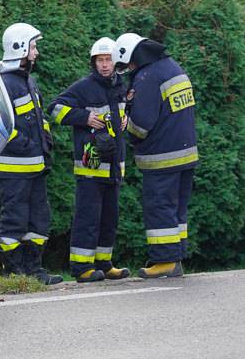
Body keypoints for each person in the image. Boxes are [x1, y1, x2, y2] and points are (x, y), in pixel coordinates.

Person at [113, 33, 198, 278]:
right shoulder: (172, 68)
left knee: (159, 207)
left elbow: (141, 126)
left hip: (162, 157)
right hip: (185, 154)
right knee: (177, 210)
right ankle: (176, 257)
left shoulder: (147, 77)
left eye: (127, 64)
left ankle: (165, 261)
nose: (128, 70)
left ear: (132, 57)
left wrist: (122, 119)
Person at [47, 38, 131, 283]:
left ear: (116, 62)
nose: (105, 65)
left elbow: (125, 110)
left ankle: (104, 264)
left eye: (109, 60)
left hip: (115, 166)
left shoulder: (121, 86)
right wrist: (83, 117)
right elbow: (55, 108)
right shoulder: (83, 87)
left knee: (109, 218)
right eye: (100, 60)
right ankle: (82, 268)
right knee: (88, 217)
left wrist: (126, 119)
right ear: (94, 63)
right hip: (91, 167)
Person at [0, 23, 62, 285]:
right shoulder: (6, 84)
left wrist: (45, 143)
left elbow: (38, 118)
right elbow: (2, 124)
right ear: (19, 48)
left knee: (38, 219)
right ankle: (15, 273)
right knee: (14, 220)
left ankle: (34, 271)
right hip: (13, 169)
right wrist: (27, 145)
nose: (35, 52)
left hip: (34, 166)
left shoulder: (27, 81)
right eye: (33, 47)